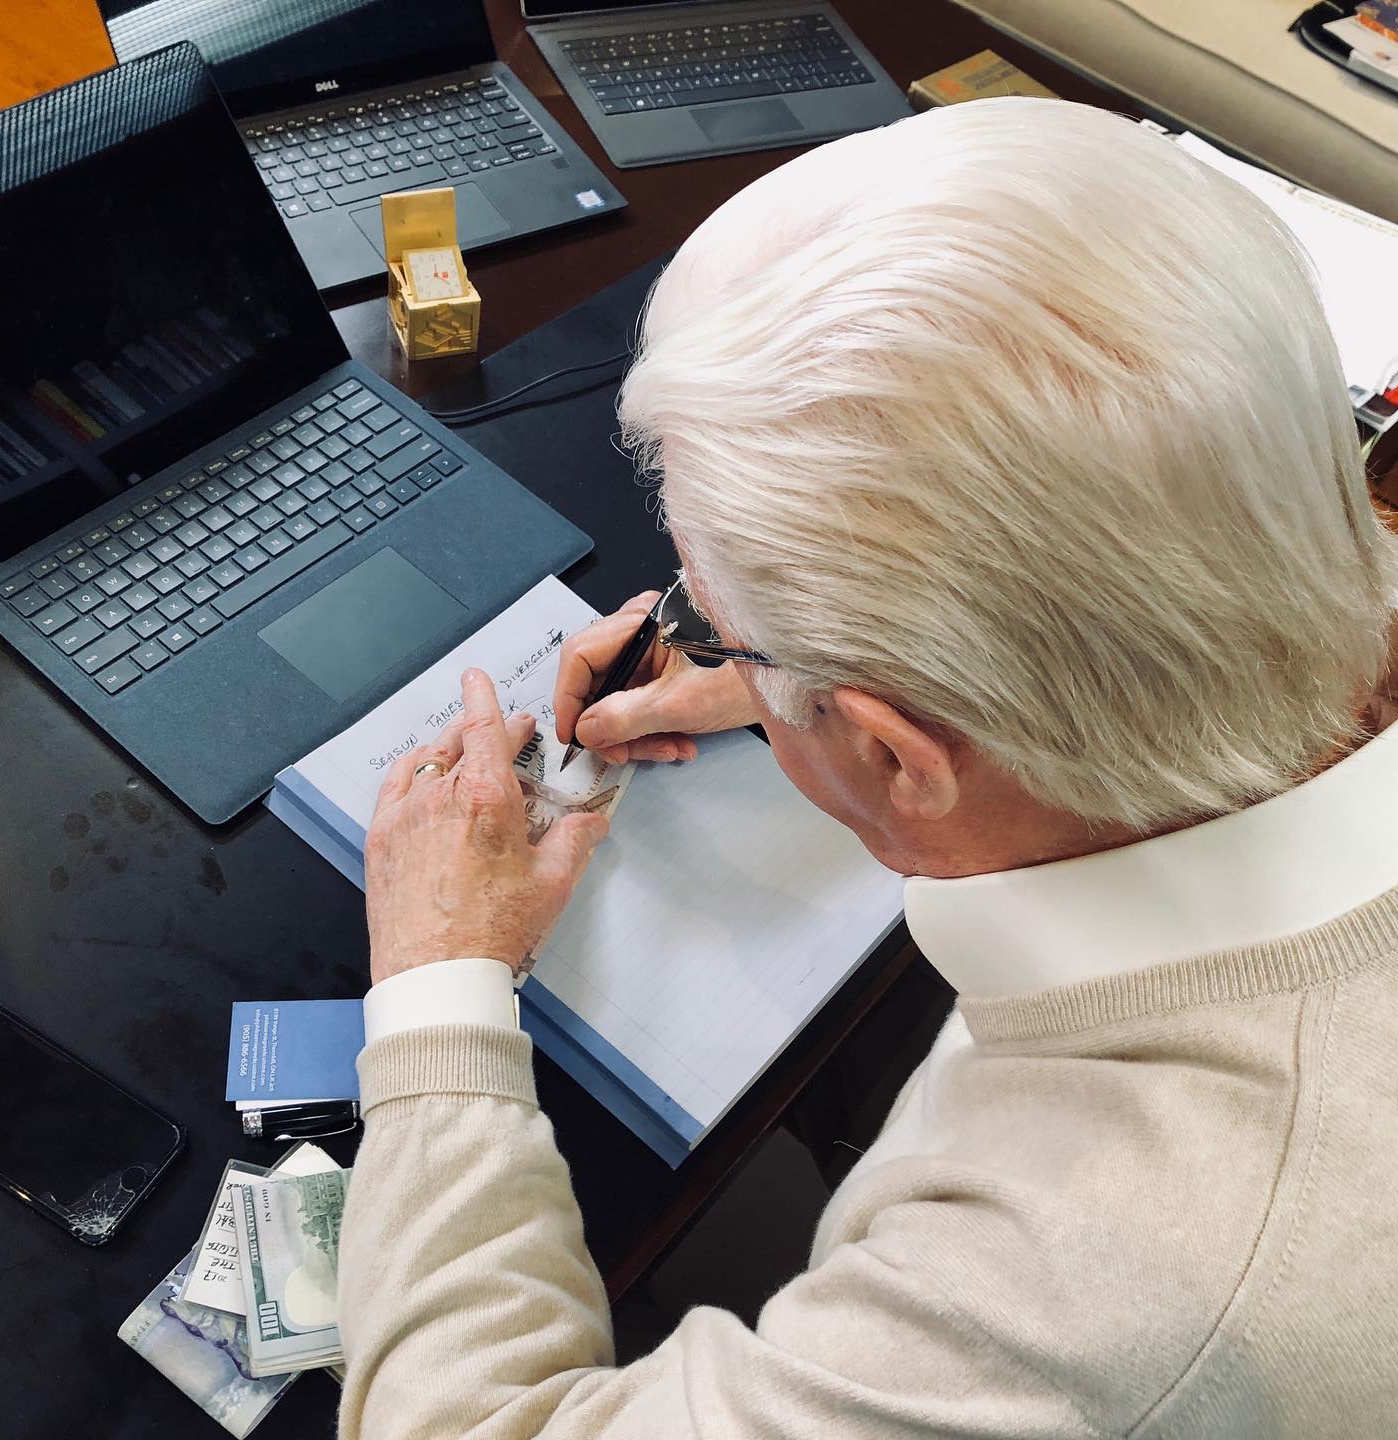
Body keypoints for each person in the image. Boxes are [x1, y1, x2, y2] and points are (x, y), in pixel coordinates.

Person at [337, 98, 1398, 1437]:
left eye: (711, 620)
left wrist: (437, 980)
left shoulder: (1082, 1305)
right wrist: (812, 660)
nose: (683, 635)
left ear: (902, 756)